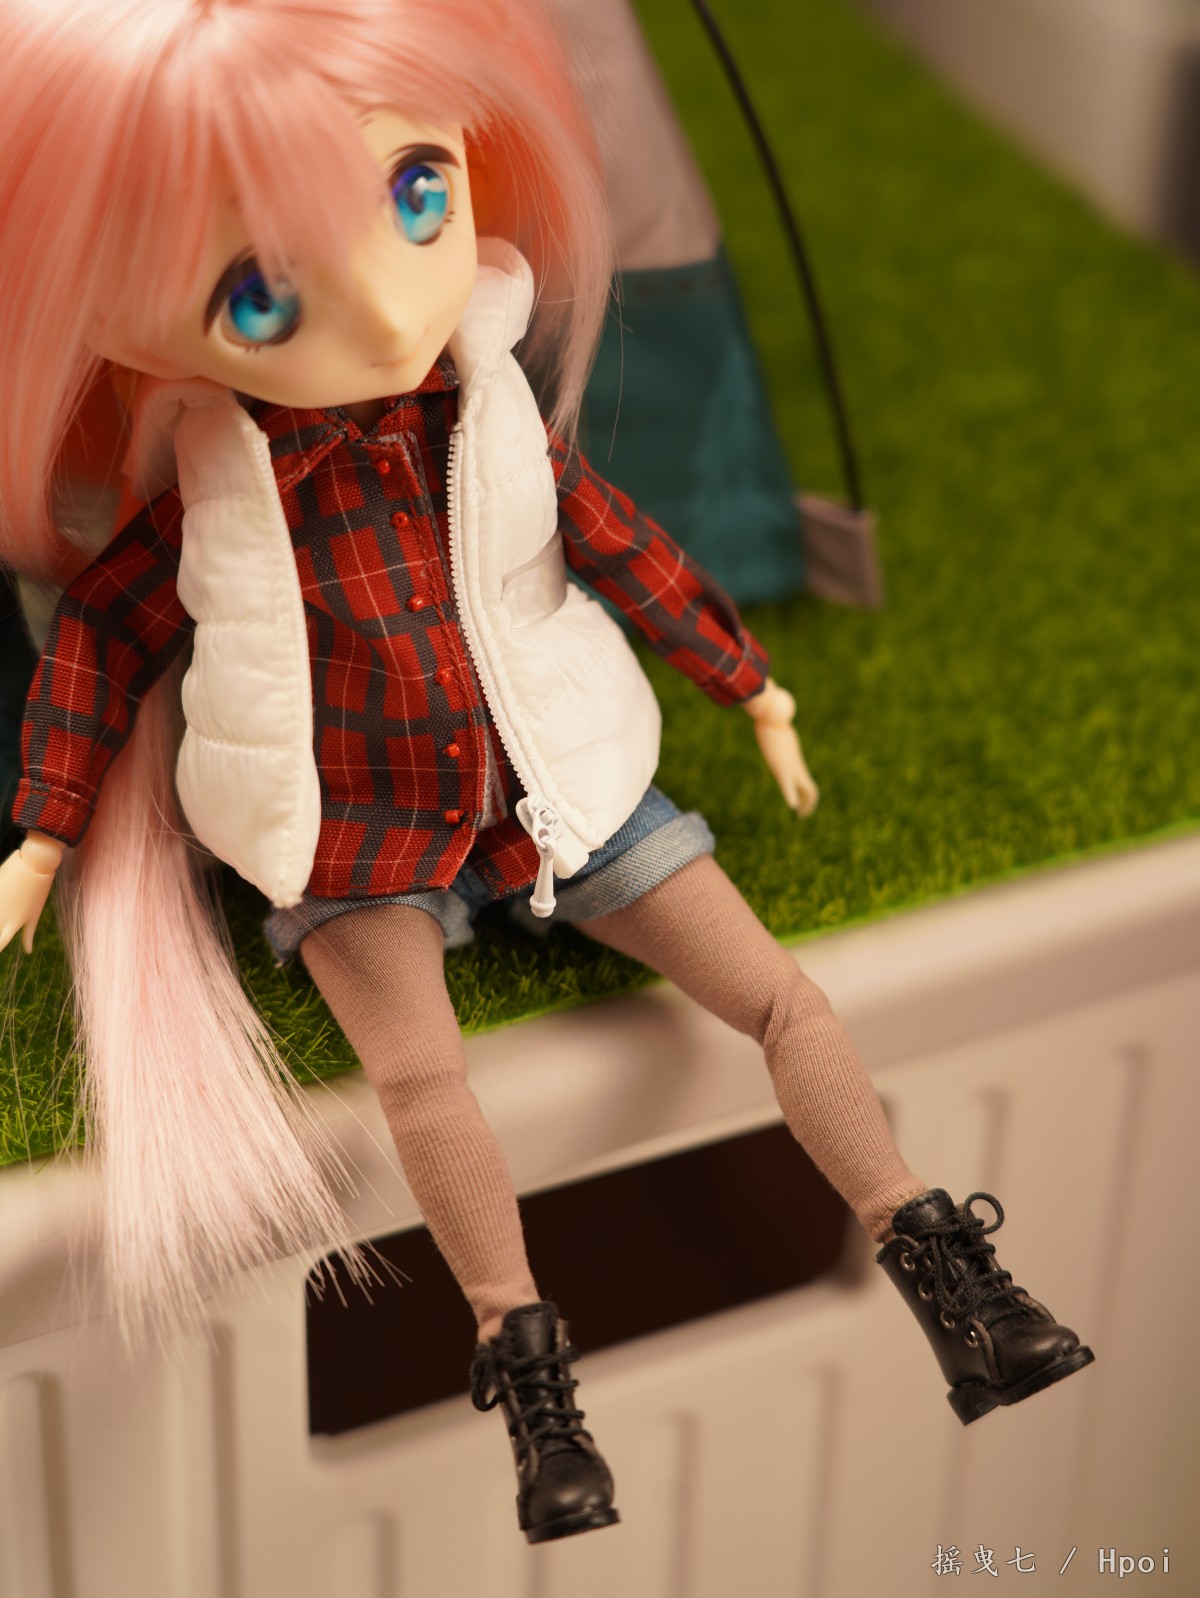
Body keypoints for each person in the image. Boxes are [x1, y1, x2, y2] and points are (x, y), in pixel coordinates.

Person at [0, 0, 1092, 1544]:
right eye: (259, 290)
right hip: (353, 828)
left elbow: (616, 540)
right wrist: (47, 835)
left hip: (559, 781)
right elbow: (105, 636)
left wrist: (749, 681)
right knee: (422, 1079)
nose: (387, 307)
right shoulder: (212, 483)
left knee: (779, 996)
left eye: (417, 193)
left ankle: (953, 1274)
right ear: (109, 320)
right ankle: (529, 1378)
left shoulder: (494, 401)